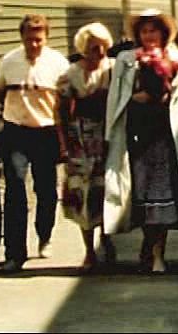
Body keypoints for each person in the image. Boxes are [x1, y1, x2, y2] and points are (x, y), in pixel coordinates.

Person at [103, 9, 178, 274]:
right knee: (140, 194)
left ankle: (157, 253)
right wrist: (123, 113)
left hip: (168, 136)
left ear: (164, 33)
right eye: (144, 31)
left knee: (163, 195)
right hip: (136, 136)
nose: (149, 36)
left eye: (154, 30)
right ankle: (148, 245)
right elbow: (115, 97)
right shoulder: (127, 60)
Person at [0, 14, 70, 273]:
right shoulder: (10, 61)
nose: (34, 45)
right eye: (29, 40)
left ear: (46, 38)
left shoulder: (58, 63)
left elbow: (67, 102)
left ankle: (45, 234)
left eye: (39, 40)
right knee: (15, 188)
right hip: (15, 131)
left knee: (46, 190)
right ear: (22, 38)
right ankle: (14, 254)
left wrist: (67, 137)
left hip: (46, 132)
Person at [58, 23, 117, 272]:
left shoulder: (114, 69)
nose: (99, 52)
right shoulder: (71, 74)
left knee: (107, 191)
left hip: (109, 136)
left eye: (103, 47)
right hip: (80, 140)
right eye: (94, 48)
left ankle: (107, 239)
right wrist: (63, 144)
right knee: (82, 194)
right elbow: (61, 112)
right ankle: (88, 250)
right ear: (84, 48)